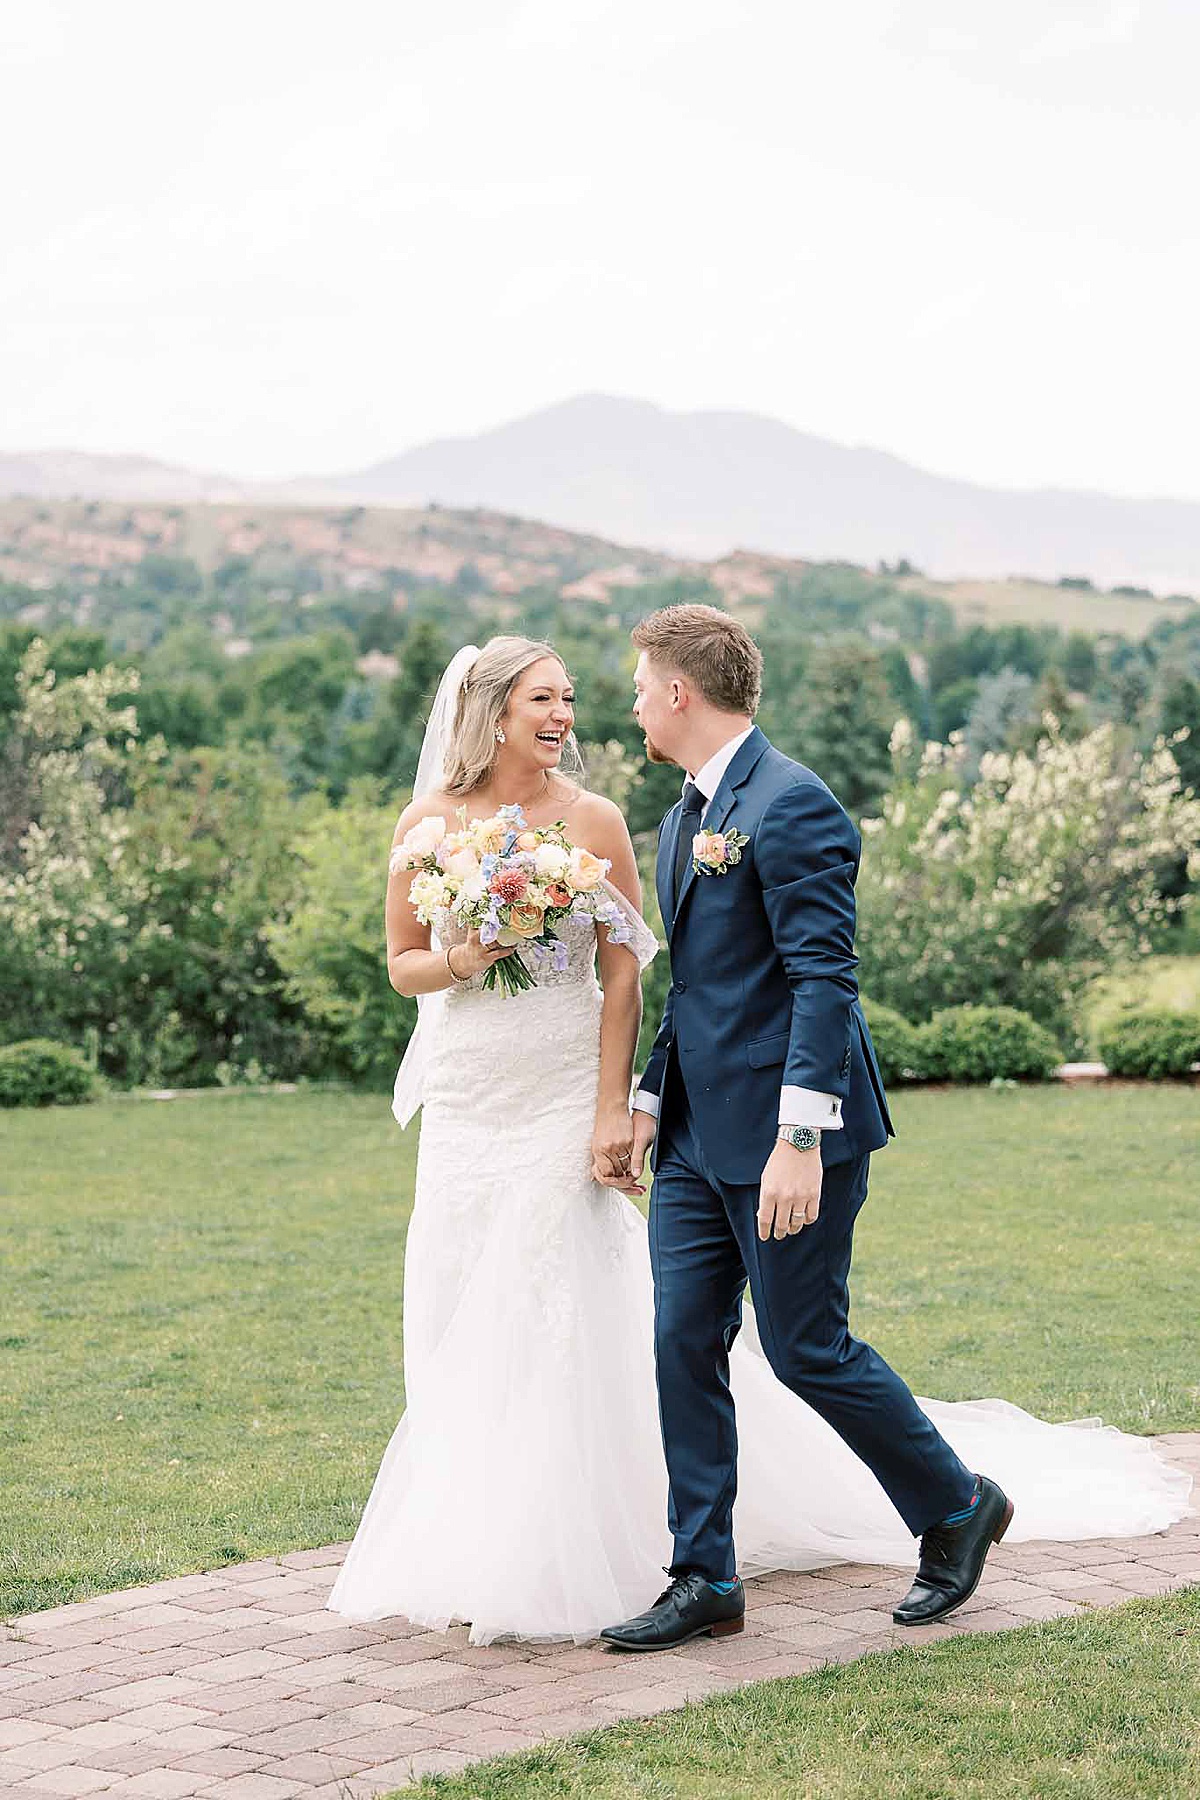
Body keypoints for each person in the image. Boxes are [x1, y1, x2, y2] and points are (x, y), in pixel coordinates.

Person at [326, 629, 1189, 1647]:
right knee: (682, 1341)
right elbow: (688, 991)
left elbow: (827, 983)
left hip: (785, 1133)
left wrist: (800, 1137)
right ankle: (704, 1578)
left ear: (681, 690)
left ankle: (957, 1507)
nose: (622, 708)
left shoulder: (794, 805)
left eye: (639, 689)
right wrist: (647, 1100)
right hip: (691, 1133)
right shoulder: (682, 816)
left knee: (803, 1345)